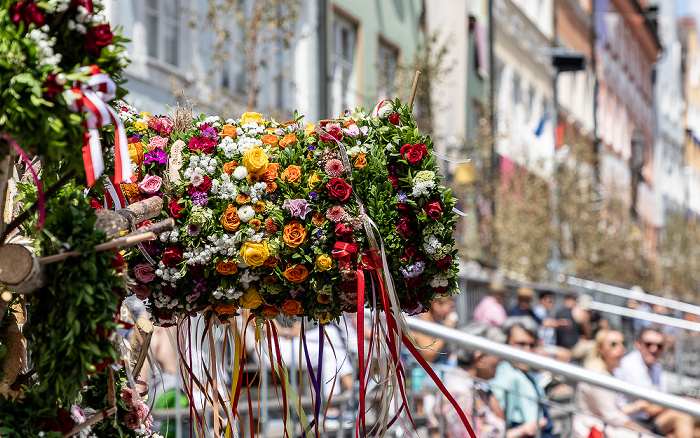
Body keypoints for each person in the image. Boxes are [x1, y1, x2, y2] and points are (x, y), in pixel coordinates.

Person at [440, 323, 545, 438]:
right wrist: (520, 431)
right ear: (480, 359)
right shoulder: (460, 396)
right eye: (496, 354)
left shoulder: (474, 387)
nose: (500, 360)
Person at [572, 329, 655, 438]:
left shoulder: (613, 372)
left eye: (623, 343)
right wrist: (642, 430)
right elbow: (612, 415)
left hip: (608, 426)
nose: (621, 348)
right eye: (613, 344)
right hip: (595, 429)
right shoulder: (596, 375)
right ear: (600, 350)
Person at [614, 328, 694, 438]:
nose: (654, 349)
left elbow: (658, 402)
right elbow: (650, 408)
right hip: (631, 421)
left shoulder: (656, 367)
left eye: (659, 346)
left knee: (694, 427)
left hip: (649, 419)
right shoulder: (630, 365)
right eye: (648, 344)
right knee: (684, 417)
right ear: (638, 344)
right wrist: (683, 401)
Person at [490, 317, 557, 438]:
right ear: (506, 343)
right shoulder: (506, 373)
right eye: (521, 344)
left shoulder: (526, 372)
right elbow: (497, 418)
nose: (527, 350)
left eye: (532, 345)